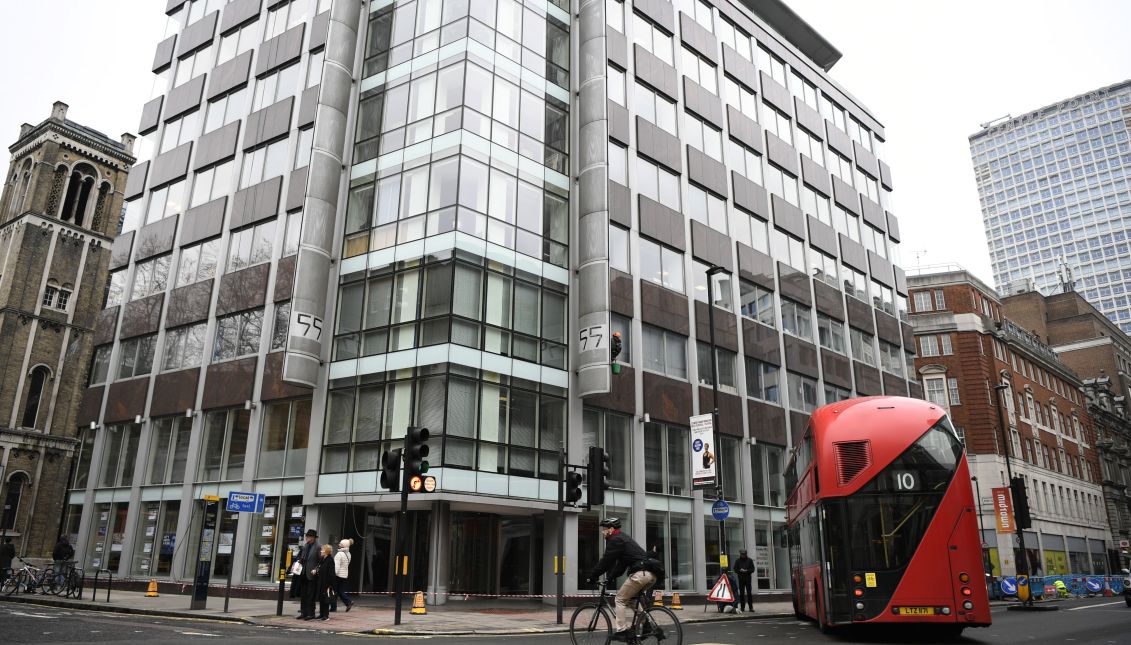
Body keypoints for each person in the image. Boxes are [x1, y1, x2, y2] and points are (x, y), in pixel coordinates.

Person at [585, 518, 664, 642]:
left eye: (604, 529)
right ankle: (647, 625)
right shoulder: (624, 538)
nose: (603, 532)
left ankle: (622, 631)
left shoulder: (615, 540)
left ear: (611, 529)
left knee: (620, 599)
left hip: (640, 574)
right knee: (632, 600)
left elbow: (606, 561)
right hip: (651, 575)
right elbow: (622, 565)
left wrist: (592, 576)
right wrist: (610, 578)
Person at [297, 528, 321, 620]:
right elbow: (302, 557)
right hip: (303, 573)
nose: (307, 537)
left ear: (314, 538)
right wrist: (300, 560)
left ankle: (311, 613)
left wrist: (316, 569)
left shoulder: (318, 546)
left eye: (309, 536)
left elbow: (320, 561)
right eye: (307, 536)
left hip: (312, 574)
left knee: (311, 595)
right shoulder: (305, 546)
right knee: (303, 594)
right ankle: (303, 612)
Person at [332, 539, 354, 612]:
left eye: (340, 544)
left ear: (343, 545)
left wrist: (333, 574)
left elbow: (336, 566)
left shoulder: (339, 554)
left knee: (334, 591)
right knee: (340, 590)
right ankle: (348, 602)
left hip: (338, 575)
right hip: (344, 575)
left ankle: (333, 607)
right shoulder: (349, 554)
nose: (339, 544)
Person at [733, 549, 755, 613]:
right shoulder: (738, 561)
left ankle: (751, 607)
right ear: (740, 554)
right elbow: (735, 569)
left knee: (749, 594)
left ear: (746, 554)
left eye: (744, 554)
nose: (743, 555)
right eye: (742, 554)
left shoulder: (749, 560)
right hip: (741, 579)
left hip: (748, 579)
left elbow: (753, 569)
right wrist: (740, 570)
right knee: (742, 594)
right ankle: (742, 607)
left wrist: (747, 571)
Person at [317, 544, 335, 621]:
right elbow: (319, 567)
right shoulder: (322, 559)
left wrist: (329, 584)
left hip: (326, 582)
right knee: (321, 598)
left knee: (326, 599)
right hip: (321, 581)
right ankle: (321, 614)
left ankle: (326, 615)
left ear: (327, 551)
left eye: (322, 550)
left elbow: (331, 573)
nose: (321, 551)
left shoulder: (330, 560)